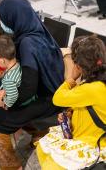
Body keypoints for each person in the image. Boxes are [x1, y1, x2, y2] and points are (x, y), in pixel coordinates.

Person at [0, 0, 65, 169]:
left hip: (47, 99)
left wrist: (5, 102)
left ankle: (12, 166)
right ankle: (39, 133)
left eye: (3, 18)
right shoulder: (37, 30)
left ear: (14, 17)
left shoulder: (27, 43)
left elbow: (28, 88)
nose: (2, 22)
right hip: (52, 91)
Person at [36, 35, 106, 170]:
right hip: (94, 132)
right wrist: (70, 113)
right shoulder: (98, 83)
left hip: (94, 142)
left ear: (78, 67)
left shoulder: (91, 89)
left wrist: (70, 78)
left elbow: (57, 98)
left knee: (50, 160)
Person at [0, 35, 36, 110]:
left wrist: (4, 104)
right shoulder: (17, 62)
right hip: (22, 92)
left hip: (20, 103)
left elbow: (13, 96)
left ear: (2, 61)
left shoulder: (8, 80)